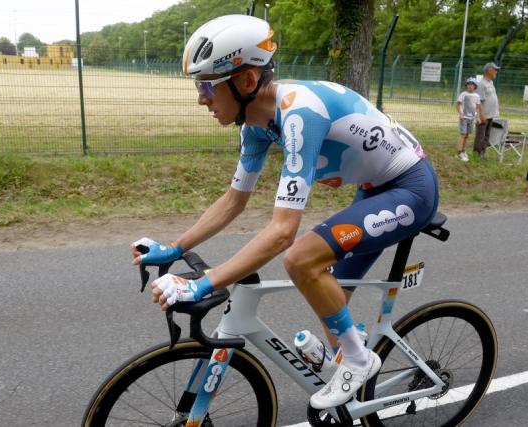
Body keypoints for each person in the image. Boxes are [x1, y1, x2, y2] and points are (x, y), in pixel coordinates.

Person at [131, 14, 439, 410]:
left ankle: (360, 361)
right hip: (374, 191)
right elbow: (233, 201)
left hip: (410, 189)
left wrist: (202, 283)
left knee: (301, 259)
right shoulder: (256, 125)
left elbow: (282, 234)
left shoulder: (300, 115)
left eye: (207, 84)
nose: (201, 97)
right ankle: (354, 370)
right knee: (330, 303)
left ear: (245, 81)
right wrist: (175, 248)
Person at [473, 62, 500, 159]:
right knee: (481, 134)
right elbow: (478, 101)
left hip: (491, 114)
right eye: (495, 69)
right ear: (489, 70)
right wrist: (482, 115)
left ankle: (483, 152)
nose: (496, 72)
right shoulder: (481, 84)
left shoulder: (491, 82)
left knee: (487, 135)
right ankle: (477, 153)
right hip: (484, 115)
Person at [456, 77, 483, 162]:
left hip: (472, 119)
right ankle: (459, 153)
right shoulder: (463, 94)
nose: (470, 86)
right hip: (464, 119)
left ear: (475, 86)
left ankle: (463, 151)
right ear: (466, 85)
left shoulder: (477, 96)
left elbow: (478, 108)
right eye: (468, 84)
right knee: (463, 134)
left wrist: (478, 117)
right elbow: (457, 104)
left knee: (467, 135)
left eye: (472, 85)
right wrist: (461, 114)